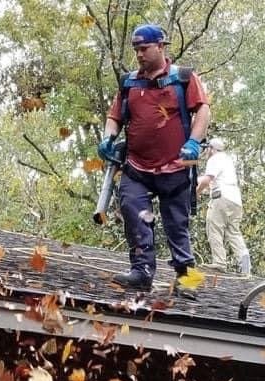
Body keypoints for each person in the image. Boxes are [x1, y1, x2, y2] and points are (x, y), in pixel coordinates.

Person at [98, 23, 210, 291]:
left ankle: (188, 282)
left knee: (177, 225)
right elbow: (114, 117)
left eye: (144, 48)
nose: (139, 54)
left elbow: (203, 110)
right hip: (137, 168)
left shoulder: (182, 78)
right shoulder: (129, 83)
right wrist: (108, 137)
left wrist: (194, 142)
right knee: (134, 213)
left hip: (175, 167)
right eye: (136, 49)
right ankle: (141, 272)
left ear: (160, 47)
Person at [196, 137, 251, 276]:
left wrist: (196, 193)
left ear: (211, 149)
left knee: (213, 226)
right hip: (235, 200)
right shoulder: (227, 160)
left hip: (221, 198)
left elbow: (208, 179)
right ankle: (245, 264)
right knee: (233, 232)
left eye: (207, 149)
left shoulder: (214, 159)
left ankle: (219, 263)